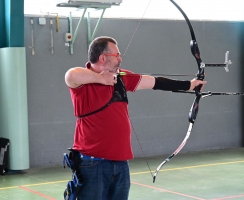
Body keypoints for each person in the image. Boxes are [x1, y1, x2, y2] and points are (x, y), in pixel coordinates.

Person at [64, 36, 207, 200]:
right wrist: (100, 78)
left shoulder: (121, 78)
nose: (120, 58)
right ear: (103, 57)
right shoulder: (83, 81)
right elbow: (71, 75)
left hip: (121, 162)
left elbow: (155, 82)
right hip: (93, 162)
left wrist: (189, 85)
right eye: (116, 55)